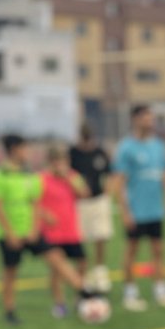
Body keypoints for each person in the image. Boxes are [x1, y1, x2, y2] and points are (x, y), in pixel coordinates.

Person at [112, 104, 165, 312]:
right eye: (145, 117)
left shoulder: (159, 146)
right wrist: (125, 211)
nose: (150, 121)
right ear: (135, 119)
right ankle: (130, 294)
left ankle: (161, 292)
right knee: (131, 252)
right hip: (136, 210)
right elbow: (120, 181)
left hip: (155, 210)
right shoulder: (126, 147)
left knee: (159, 251)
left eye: (151, 118)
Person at [39, 144, 92, 318]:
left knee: (82, 264)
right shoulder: (41, 179)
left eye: (64, 161)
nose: (61, 164)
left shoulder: (73, 177)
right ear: (51, 162)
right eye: (58, 161)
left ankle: (79, 297)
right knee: (57, 270)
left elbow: (85, 194)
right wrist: (44, 214)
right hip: (52, 232)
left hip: (72, 230)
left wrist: (68, 179)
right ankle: (59, 304)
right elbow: (32, 203)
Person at [70, 123, 114, 292]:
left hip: (98, 199)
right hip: (79, 202)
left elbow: (109, 173)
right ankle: (83, 273)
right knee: (80, 238)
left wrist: (107, 193)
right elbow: (69, 173)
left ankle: (100, 271)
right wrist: (79, 188)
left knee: (100, 235)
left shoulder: (100, 153)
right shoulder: (73, 152)